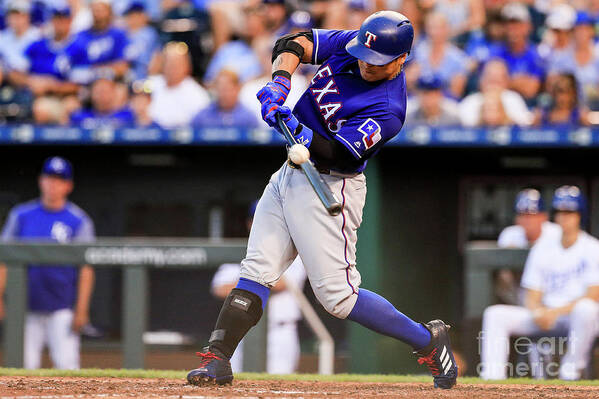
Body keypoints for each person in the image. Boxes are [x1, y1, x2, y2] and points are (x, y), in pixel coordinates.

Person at [186, 11, 458, 389]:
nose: (365, 63)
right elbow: (293, 43)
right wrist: (280, 82)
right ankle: (217, 360)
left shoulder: (389, 109)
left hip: (331, 185)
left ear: (401, 61)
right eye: (363, 53)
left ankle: (428, 340)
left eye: (377, 62)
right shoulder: (357, 45)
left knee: (339, 299)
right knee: (256, 269)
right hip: (290, 174)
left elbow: (341, 155)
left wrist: (301, 133)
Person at [481, 186, 599, 380]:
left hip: (577, 318)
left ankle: (571, 370)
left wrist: (555, 312)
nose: (564, 217)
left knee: (586, 308)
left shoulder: (592, 247)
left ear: (580, 216)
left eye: (569, 212)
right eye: (560, 212)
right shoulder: (543, 248)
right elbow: (532, 293)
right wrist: (537, 311)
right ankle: (492, 378)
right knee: (495, 314)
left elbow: (594, 294)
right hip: (546, 316)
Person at [0, 157, 95, 369]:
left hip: (61, 306)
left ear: (68, 185)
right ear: (40, 180)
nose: (53, 184)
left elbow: (86, 268)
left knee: (67, 367)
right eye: (49, 178)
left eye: (59, 180)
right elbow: (3, 257)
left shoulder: (78, 219)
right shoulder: (21, 215)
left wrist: (81, 308)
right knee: (22, 368)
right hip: (24, 306)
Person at [211, 201, 307, 374]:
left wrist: (244, 284)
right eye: (260, 219)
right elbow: (219, 288)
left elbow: (281, 284)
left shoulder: (294, 251)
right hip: (241, 335)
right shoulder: (243, 250)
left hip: (280, 333)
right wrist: (254, 283)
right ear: (250, 223)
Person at [495, 189, 561, 306]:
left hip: (552, 293)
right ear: (517, 219)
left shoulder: (556, 233)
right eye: (523, 215)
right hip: (520, 294)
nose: (527, 220)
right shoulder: (509, 234)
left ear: (544, 217)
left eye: (532, 215)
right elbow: (503, 275)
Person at [490, 2, 544, 103]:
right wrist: (520, 81)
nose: (513, 29)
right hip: (500, 105)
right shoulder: (496, 53)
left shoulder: (536, 54)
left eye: (517, 25)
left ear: (527, 27)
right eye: (509, 25)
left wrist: (504, 81)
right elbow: (491, 86)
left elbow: (531, 90)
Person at [65, 0, 129, 84]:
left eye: (101, 10)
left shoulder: (118, 34)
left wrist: (97, 70)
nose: (98, 14)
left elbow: (122, 67)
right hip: (84, 84)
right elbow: (71, 66)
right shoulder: (80, 36)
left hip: (112, 82)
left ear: (109, 12)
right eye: (95, 10)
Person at [406, 12, 468, 99]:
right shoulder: (417, 51)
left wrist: (433, 98)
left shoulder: (458, 57)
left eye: (438, 28)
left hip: (445, 104)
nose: (434, 32)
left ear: (447, 29)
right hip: (419, 100)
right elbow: (408, 83)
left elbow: (456, 92)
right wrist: (412, 78)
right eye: (431, 27)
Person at [148, 41, 210, 128]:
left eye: (176, 64)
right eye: (168, 63)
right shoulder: (150, 84)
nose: (171, 68)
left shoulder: (197, 94)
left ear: (187, 66)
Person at [459, 59, 532, 127]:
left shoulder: (513, 99)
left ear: (506, 80)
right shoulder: (471, 101)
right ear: (481, 80)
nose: (494, 82)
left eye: (498, 79)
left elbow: (527, 124)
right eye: (490, 78)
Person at [192, 70, 258, 128]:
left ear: (237, 89)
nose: (224, 94)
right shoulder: (203, 116)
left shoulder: (248, 118)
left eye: (227, 89)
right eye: (220, 89)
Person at [70, 78, 135, 128]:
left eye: (105, 91)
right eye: (98, 92)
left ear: (114, 93)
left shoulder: (128, 116)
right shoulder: (80, 116)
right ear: (91, 94)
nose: (102, 95)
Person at [123, 2, 161, 81]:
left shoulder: (149, 33)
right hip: (127, 77)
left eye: (134, 16)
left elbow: (157, 55)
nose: (131, 19)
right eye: (129, 16)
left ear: (143, 16)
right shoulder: (123, 34)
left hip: (145, 77)